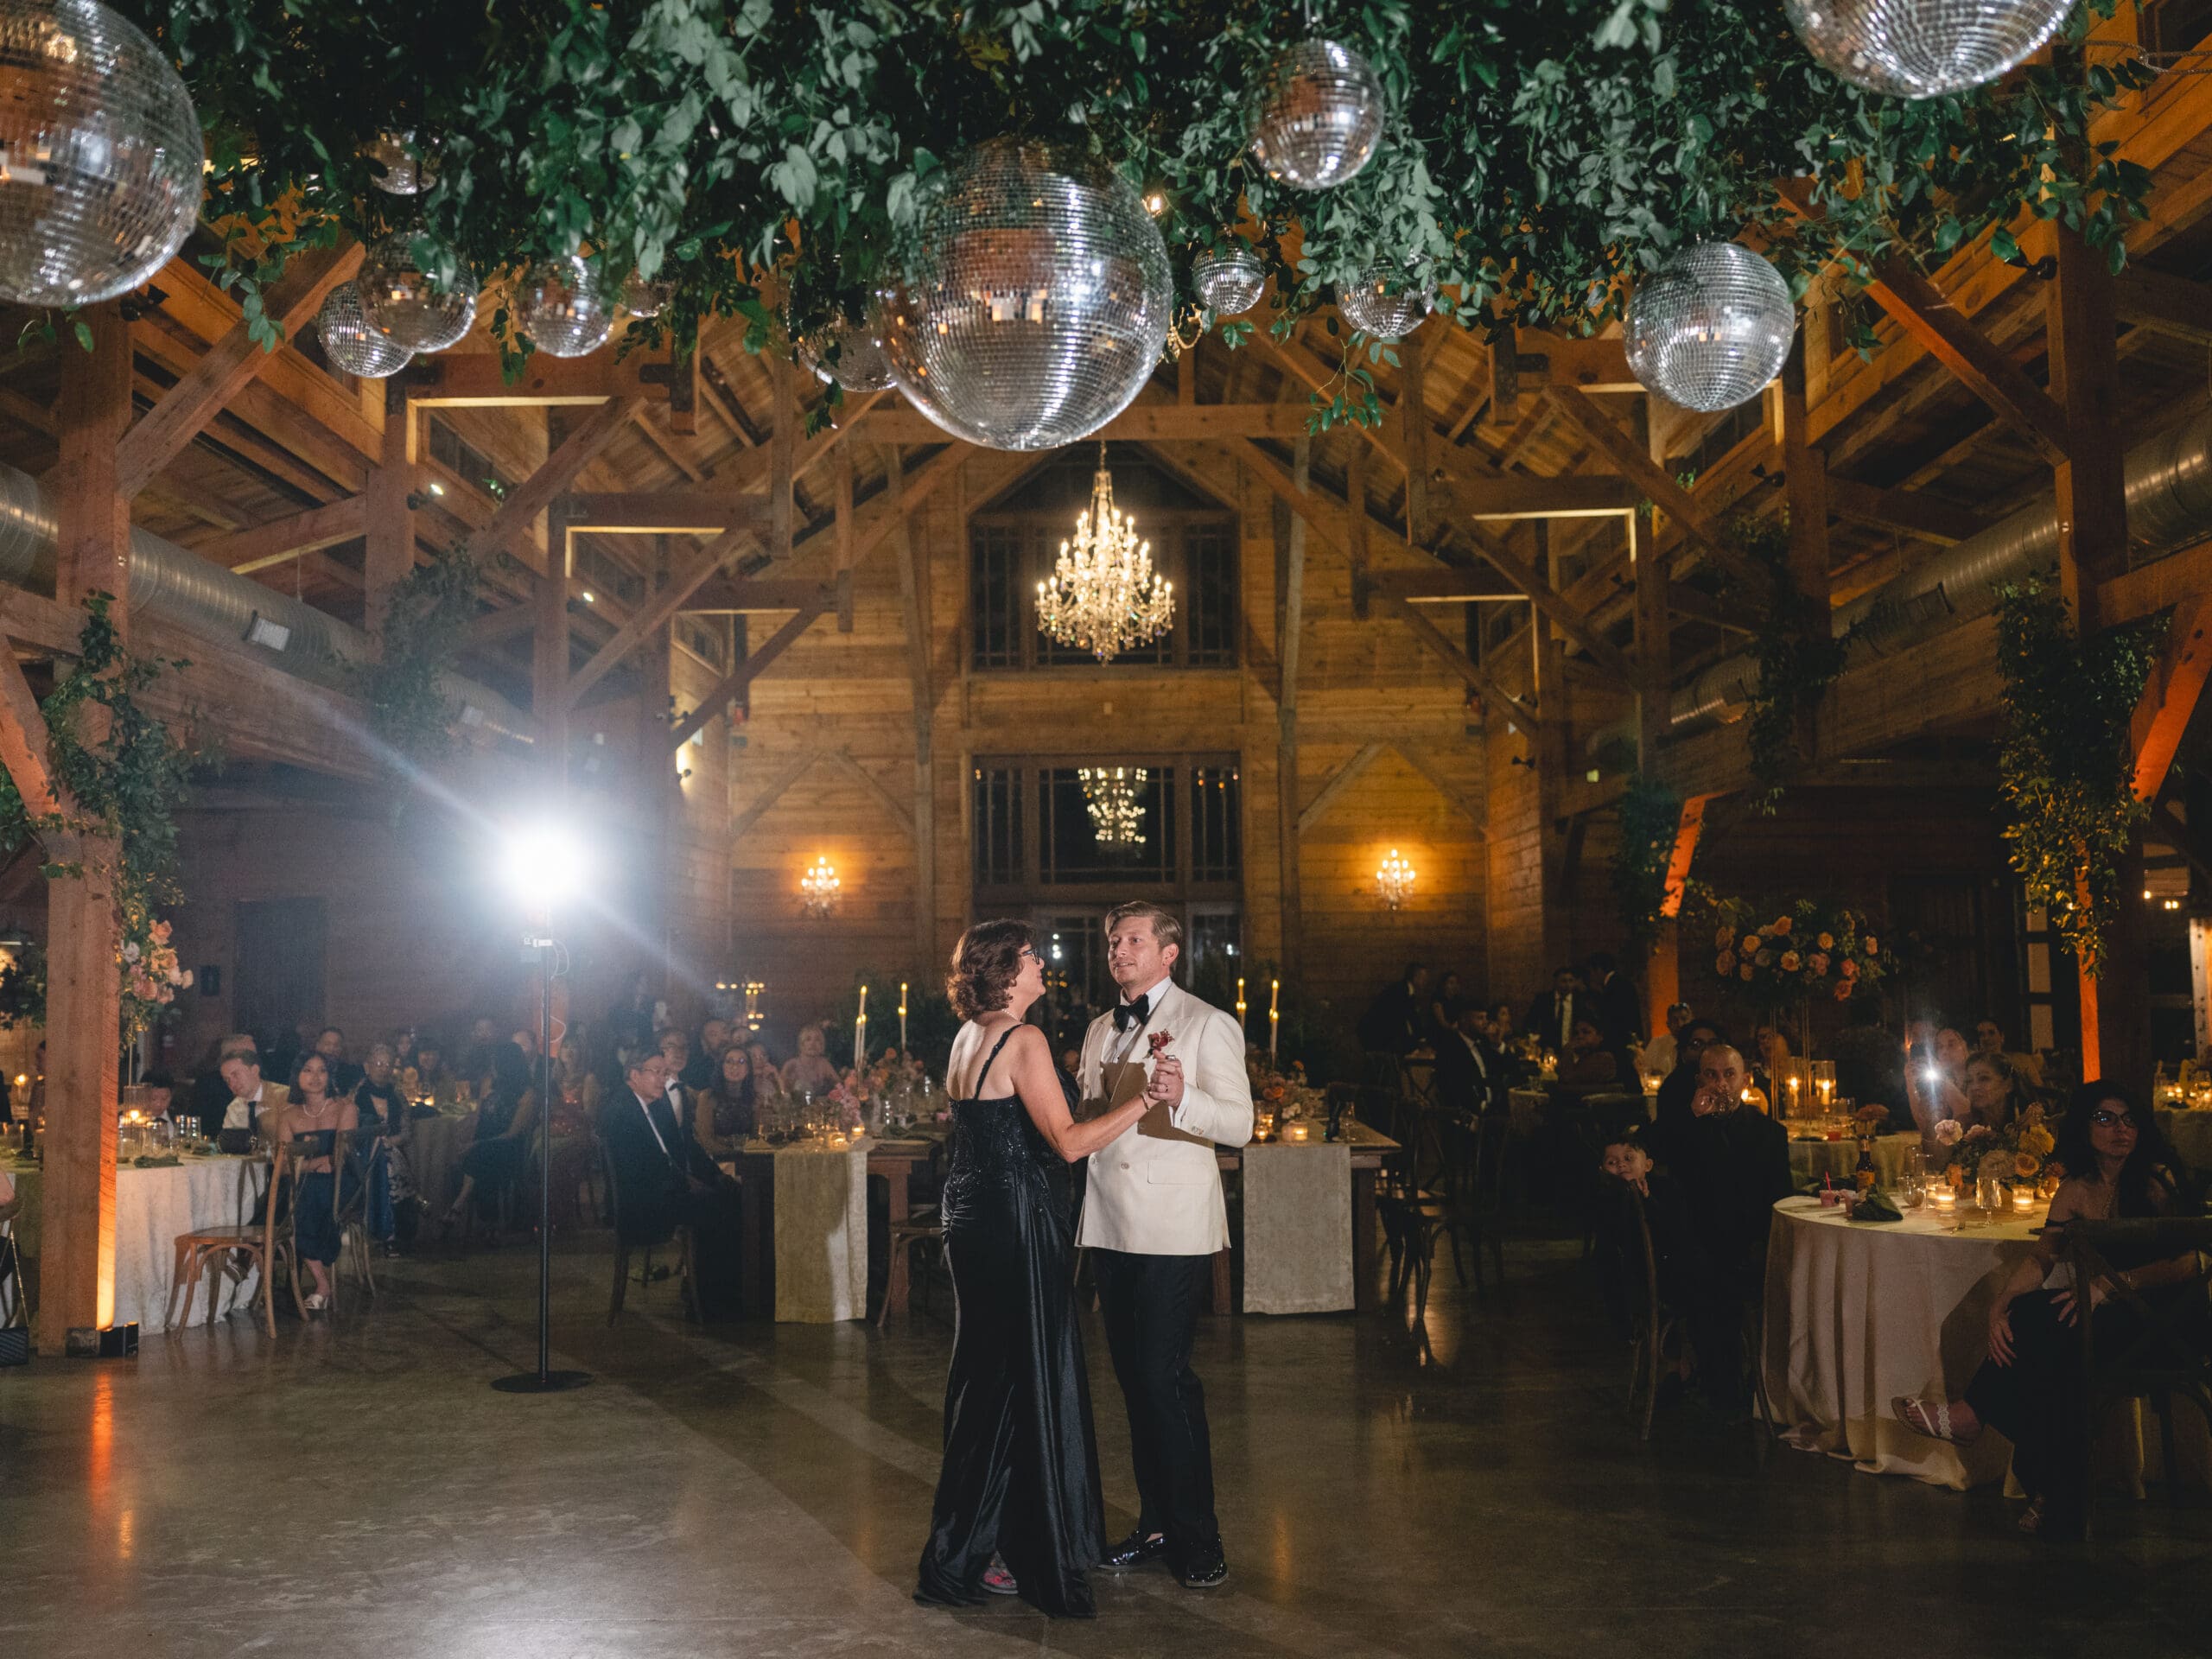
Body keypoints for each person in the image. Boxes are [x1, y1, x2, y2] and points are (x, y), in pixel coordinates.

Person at [915, 920, 1152, 1618]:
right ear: (1003, 971)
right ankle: (987, 1551)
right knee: (1022, 1379)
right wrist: (1146, 1102)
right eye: (1028, 956)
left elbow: (1014, 1125)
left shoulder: (968, 1036)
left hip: (968, 1216)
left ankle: (975, 1546)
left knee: (987, 1380)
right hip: (1013, 1219)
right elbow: (1071, 1145)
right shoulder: (1024, 1039)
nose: (1041, 962)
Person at [1894, 1084, 2204, 1539]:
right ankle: (2054, 1489)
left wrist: (2107, 1286)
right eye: (2105, 1118)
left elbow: (2188, 1263)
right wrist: (1999, 1304)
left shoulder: (2155, 1183)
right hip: (2116, 1320)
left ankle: (1987, 1431)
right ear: (2084, 1126)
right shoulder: (2077, 1189)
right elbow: (2043, 1258)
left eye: (2128, 1119)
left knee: (2049, 1327)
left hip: (2171, 1323)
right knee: (2046, 1336)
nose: (2120, 1129)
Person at [1076, 901, 1253, 1591]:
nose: (1119, 950)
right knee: (1134, 1382)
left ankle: (1199, 1536)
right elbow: (1094, 1117)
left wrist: (1183, 1101)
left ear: (1169, 953)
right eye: (1113, 939)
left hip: (1173, 1227)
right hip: (1110, 1223)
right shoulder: (1098, 1028)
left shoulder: (1208, 1023)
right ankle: (1155, 1524)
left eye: (1133, 940)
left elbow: (1240, 1124)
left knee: (1164, 1380)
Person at [1592, 1131, 1737, 1410]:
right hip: (1655, 1284)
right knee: (1714, 1292)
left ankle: (1696, 1368)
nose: (1620, 1165)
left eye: (1628, 1158)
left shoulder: (1664, 1188)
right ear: (1602, 1171)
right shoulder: (1612, 1199)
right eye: (1612, 1162)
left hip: (1674, 1271)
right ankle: (1710, 1380)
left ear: (1648, 1164)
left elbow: (1679, 1230)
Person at [600, 1047, 745, 1319]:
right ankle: (708, 1299)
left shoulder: (657, 1098)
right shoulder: (619, 1111)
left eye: (665, 1073)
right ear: (634, 1074)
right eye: (657, 1072)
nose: (663, 1079)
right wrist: (688, 1183)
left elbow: (683, 1145)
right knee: (718, 1209)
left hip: (665, 1189)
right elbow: (639, 1171)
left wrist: (715, 1176)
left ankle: (723, 1291)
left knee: (734, 1195)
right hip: (643, 1203)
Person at [1673, 1044, 1792, 1312]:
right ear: (1699, 1081)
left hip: (1750, 1244)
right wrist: (1694, 1119)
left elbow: (1780, 1196)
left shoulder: (1769, 1133)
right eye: (1711, 1075)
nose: (1721, 1084)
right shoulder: (1686, 1127)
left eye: (1729, 1074)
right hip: (1699, 1244)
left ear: (1745, 1080)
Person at [276, 1052, 359, 1313]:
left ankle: (248, 1262)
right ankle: (323, 1285)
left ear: (330, 1076)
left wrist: (301, 1166)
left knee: (297, 1199)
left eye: (321, 1070)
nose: (315, 1077)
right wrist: (311, 1164)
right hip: (304, 1186)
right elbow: (281, 1167)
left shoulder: (346, 1108)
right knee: (287, 1196)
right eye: (308, 1071)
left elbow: (339, 1160)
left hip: (342, 1184)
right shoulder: (289, 1115)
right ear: (297, 1076)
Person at [442, 1046, 538, 1234]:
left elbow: (513, 1133)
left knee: (482, 1153)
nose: (492, 1067)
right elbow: (478, 1118)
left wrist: (475, 1144)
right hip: (481, 1143)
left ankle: (458, 1206)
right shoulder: (488, 1084)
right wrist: (463, 1137)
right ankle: (489, 1225)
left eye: (495, 1063)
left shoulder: (528, 1094)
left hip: (508, 1148)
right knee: (478, 1156)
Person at [353, 1043, 409, 1252]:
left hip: (391, 1151)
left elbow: (406, 1133)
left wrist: (389, 1143)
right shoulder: (356, 1095)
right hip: (363, 1153)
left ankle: (392, 1233)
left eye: (388, 1064)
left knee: (390, 1164)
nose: (383, 1069)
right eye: (378, 1064)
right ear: (367, 1067)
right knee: (383, 1164)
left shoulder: (398, 1097)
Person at [1647, 1019, 1722, 1169]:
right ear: (1683, 1052)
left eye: (1713, 1044)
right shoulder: (1674, 1087)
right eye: (1697, 1044)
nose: (1706, 1050)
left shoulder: (1724, 1082)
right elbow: (1670, 1135)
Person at [1904, 1021, 1971, 1143]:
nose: (1945, 1051)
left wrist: (1942, 1076)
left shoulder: (1976, 1078)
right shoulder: (1940, 1083)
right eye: (1940, 1047)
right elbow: (1925, 1125)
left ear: (1965, 1046)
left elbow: (1967, 1114)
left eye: (1951, 1045)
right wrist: (1910, 1082)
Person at [1433, 1002, 1501, 1118]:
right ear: (1464, 1020)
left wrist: (1498, 1043)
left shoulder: (1483, 1045)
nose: (1485, 1023)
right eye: (1480, 1018)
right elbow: (1455, 1088)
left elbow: (1505, 1070)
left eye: (1486, 1018)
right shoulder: (1451, 1049)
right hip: (1467, 1117)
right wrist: (1481, 1107)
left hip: (1492, 1112)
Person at [694, 1045, 762, 1154]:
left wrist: (725, 1140)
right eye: (729, 1061)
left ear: (748, 1069)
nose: (734, 1066)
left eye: (741, 1061)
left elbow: (757, 1138)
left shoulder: (755, 1098)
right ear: (721, 1067)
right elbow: (706, 1140)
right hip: (717, 1160)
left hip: (748, 1158)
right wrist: (733, 1154)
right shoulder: (707, 1096)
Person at [217, 1043, 289, 1141]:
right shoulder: (235, 1107)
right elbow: (230, 1146)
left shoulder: (284, 1096)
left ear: (255, 1070)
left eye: (235, 1074)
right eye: (227, 1080)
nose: (232, 1083)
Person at [1356, 963, 1428, 1057]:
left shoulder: (1405, 990)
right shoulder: (1400, 991)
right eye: (1423, 978)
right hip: (1373, 1032)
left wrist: (1421, 1038)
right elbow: (1400, 1021)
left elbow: (1412, 1016)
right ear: (1415, 977)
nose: (1425, 981)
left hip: (1376, 1032)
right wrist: (1414, 1046)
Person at [1584, 950, 1639, 1060]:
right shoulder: (1620, 983)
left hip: (1618, 1041)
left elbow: (1614, 1019)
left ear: (1599, 970)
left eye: (1591, 972)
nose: (1591, 977)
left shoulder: (1615, 986)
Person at [1974, 1017, 2045, 1089]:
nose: (1986, 1038)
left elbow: (2039, 1090)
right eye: (1981, 1034)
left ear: (2002, 1037)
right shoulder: (1975, 1067)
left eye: (1991, 1033)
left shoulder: (2022, 1061)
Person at [1554, 1015, 1620, 1093]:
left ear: (1600, 1036)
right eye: (1576, 1033)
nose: (1580, 1036)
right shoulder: (1576, 1056)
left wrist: (1568, 1050)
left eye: (1586, 1032)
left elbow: (1568, 1079)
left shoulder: (1605, 1059)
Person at [1524, 966, 1581, 1052]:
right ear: (1555, 982)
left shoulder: (1580, 1001)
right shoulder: (1543, 1000)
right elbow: (1530, 1022)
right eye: (1564, 981)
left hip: (1573, 1050)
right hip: (1548, 1050)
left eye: (1571, 981)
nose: (1568, 985)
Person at [781, 1023, 842, 1097]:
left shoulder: (824, 1064)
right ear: (802, 1044)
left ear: (821, 1045)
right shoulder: (791, 1065)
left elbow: (839, 1085)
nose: (813, 1044)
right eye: (808, 1039)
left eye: (817, 1040)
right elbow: (782, 1092)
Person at [1641, 1002, 1692, 1082]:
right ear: (1668, 1024)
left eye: (1684, 1019)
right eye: (1675, 1021)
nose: (1680, 1024)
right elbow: (1645, 1071)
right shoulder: (1656, 1044)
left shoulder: (1697, 1046)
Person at [314, 1027, 365, 1095]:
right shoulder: (306, 1070)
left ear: (341, 1049)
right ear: (318, 1046)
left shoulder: (349, 1073)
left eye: (336, 1045)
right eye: (327, 1044)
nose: (332, 1049)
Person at [1426, 971, 1466, 1048]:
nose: (1454, 986)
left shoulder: (1459, 1000)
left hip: (1456, 1033)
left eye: (1456, 983)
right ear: (1444, 985)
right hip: (1440, 1034)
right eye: (1451, 983)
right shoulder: (1437, 998)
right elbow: (1442, 1022)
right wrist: (1453, 1028)